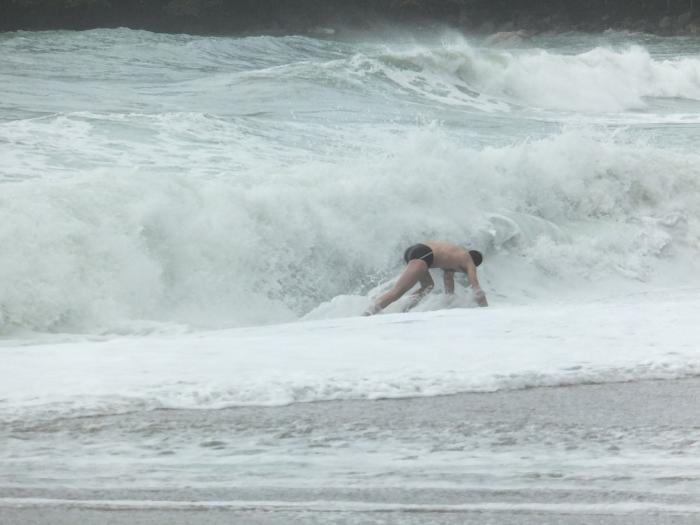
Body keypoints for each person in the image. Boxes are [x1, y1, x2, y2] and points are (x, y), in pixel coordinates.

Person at [365, 241, 488, 315]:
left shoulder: (455, 256)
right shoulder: (469, 261)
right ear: (474, 262)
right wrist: (486, 310)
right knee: (397, 291)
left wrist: (449, 300)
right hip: (424, 254)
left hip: (416, 250)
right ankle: (366, 314)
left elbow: (448, 281)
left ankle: (405, 309)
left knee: (428, 285)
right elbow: (477, 290)